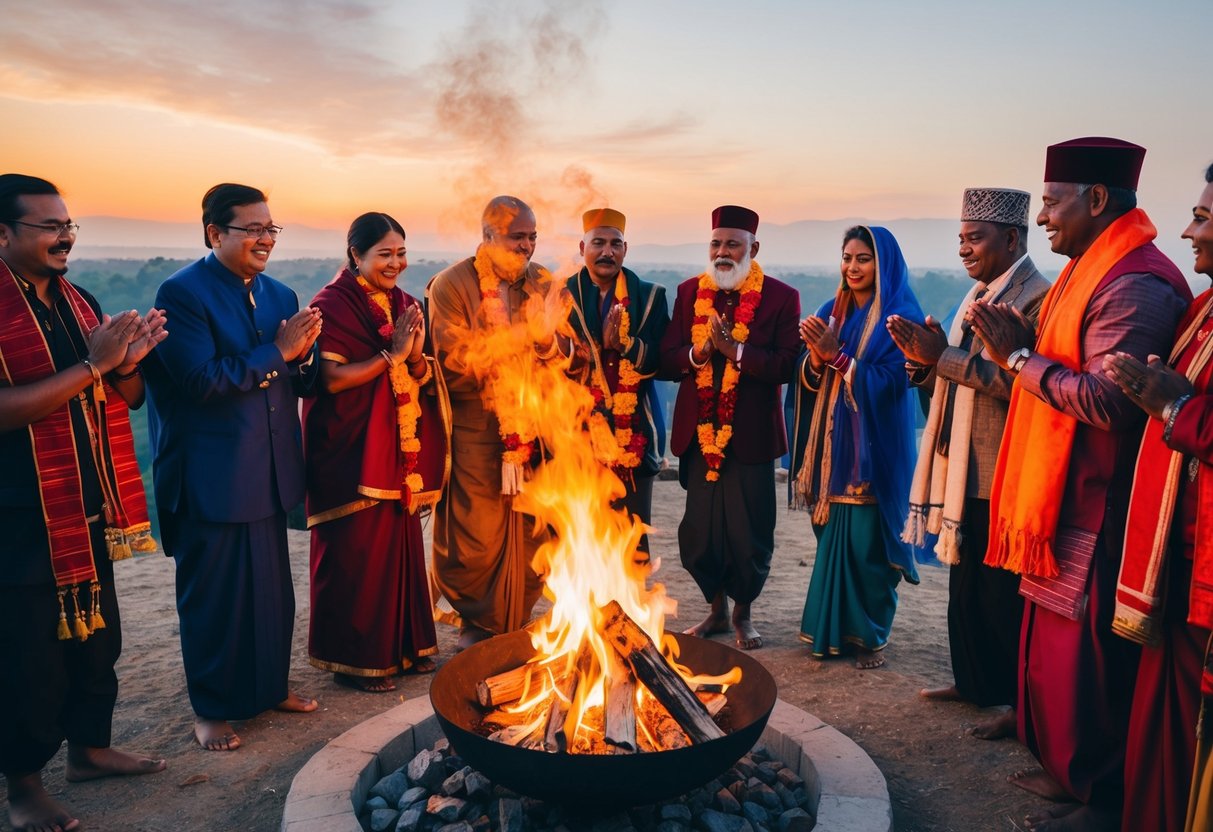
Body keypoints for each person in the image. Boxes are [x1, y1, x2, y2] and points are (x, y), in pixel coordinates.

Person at [969, 137, 1191, 832]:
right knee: (1050, 647)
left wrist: (1016, 357)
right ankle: (1066, 767)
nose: (1042, 219)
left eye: (1049, 203)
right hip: (1064, 493)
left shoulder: (1133, 281)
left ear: (1096, 200)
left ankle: (1098, 789)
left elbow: (1110, 402)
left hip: (1103, 501)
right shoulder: (1088, 270)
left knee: (1087, 659)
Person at [0, 174, 167, 832]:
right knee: (28, 656)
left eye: (68, 224)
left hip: (86, 504)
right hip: (18, 514)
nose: (65, 235)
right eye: (48, 225)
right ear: (4, 234)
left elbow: (127, 400)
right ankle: (23, 789)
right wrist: (95, 367)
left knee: (99, 641)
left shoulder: (80, 301)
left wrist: (128, 360)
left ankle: (90, 752)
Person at [144, 183, 321, 752]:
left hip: (268, 468)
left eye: (272, 228)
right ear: (214, 233)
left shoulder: (280, 294)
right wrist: (280, 353)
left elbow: (295, 378)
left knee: (272, 594)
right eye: (253, 229)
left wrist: (307, 355)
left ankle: (270, 688)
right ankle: (213, 709)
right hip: (211, 473)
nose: (266, 239)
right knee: (214, 597)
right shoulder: (183, 294)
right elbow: (200, 382)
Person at [888, 188, 1049, 734]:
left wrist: (943, 358)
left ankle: (1007, 698)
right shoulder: (977, 293)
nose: (963, 248)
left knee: (998, 591)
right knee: (964, 585)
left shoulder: (1035, 298)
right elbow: (953, 377)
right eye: (959, 238)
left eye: (974, 237)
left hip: (1000, 459)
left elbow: (1019, 383)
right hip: (962, 463)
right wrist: (923, 360)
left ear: (1011, 239)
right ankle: (971, 681)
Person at [1102, 162, 1213, 832]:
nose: (1188, 230)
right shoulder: (1201, 307)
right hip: (1174, 557)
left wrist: (1175, 409)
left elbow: (1183, 411)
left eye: (1202, 218)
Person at [302, 212, 445, 691]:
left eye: (401, 253)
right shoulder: (333, 304)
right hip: (347, 449)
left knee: (398, 548)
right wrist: (393, 356)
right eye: (384, 254)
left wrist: (418, 357)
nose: (396, 263)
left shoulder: (404, 302)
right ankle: (357, 660)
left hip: (392, 449)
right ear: (355, 255)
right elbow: (330, 379)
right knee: (357, 554)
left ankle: (407, 646)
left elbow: (420, 376)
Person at [427, 195, 565, 650]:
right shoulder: (451, 285)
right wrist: (526, 341)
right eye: (516, 237)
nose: (527, 247)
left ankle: (516, 618)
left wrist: (548, 349)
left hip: (535, 427)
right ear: (487, 237)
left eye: (532, 237)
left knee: (532, 530)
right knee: (475, 539)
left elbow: (572, 348)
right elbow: (452, 360)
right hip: (475, 432)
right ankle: (478, 625)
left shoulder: (543, 281)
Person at [659, 205, 800, 650]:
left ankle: (743, 615)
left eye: (733, 244)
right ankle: (715, 612)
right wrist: (700, 353)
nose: (723, 252)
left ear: (752, 249)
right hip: (700, 434)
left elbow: (786, 366)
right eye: (716, 243)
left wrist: (736, 351)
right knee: (701, 532)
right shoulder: (688, 292)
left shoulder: (780, 297)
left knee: (749, 531)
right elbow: (667, 357)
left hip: (751, 437)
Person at [788, 225, 926, 669]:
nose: (852, 266)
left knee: (869, 547)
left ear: (882, 263)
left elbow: (893, 384)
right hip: (832, 450)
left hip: (873, 451)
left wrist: (838, 357)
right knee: (832, 538)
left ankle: (870, 636)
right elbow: (808, 380)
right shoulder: (833, 309)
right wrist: (813, 359)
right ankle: (830, 632)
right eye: (846, 257)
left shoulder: (899, 316)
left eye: (863, 258)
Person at [565, 208, 670, 565]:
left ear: (626, 250)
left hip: (634, 432)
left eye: (615, 244)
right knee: (582, 532)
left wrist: (626, 345)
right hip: (579, 432)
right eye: (598, 243)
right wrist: (578, 354)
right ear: (583, 247)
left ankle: (630, 614)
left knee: (632, 536)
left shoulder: (651, 296)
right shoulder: (563, 297)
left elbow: (665, 361)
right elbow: (548, 358)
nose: (606, 252)